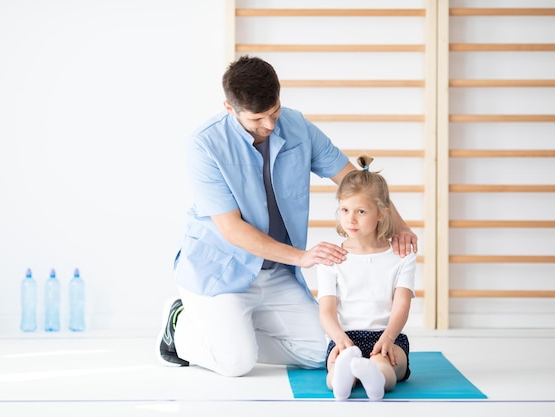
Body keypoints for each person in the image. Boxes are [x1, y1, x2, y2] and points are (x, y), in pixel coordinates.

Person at [157, 55, 418, 377]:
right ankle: (181, 323)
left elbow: (354, 181)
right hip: (221, 272)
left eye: (274, 112)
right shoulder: (205, 145)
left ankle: (231, 330)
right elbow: (232, 230)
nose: (269, 125)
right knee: (236, 362)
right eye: (257, 119)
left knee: (326, 352)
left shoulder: (297, 126)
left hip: (276, 271)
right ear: (229, 108)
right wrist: (303, 257)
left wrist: (400, 225)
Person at [317, 154, 417, 401]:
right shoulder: (332, 257)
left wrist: (388, 338)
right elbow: (326, 311)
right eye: (345, 210)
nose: (350, 219)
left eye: (361, 211)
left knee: (386, 366)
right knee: (336, 370)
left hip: (387, 335)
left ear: (382, 213)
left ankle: (373, 379)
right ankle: (343, 380)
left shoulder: (401, 256)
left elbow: (402, 304)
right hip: (346, 337)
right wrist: (340, 340)